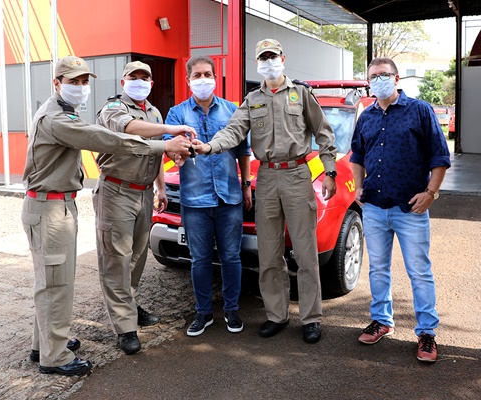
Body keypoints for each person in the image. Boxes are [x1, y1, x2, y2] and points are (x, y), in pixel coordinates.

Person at [21, 55, 191, 376]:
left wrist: (160, 182)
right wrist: (163, 145)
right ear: (57, 84)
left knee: (54, 281)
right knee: (59, 282)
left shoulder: (64, 112)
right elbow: (106, 138)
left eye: (85, 82)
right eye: (74, 82)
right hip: (53, 207)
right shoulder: (58, 119)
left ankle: (44, 343)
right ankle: (54, 356)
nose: (81, 88)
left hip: (60, 204)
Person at [192, 39, 337, 344]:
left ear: (283, 58)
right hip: (268, 179)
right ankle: (277, 315)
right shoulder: (252, 99)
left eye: (273, 56)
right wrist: (209, 147)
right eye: (263, 58)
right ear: (257, 64)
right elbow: (233, 131)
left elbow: (324, 133)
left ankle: (310, 318)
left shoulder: (301, 94)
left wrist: (330, 171)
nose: (269, 62)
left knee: (305, 253)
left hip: (298, 174)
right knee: (269, 253)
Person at [350, 57, 450, 363]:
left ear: (396, 79)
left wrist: (431, 192)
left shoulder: (419, 111)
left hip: (411, 208)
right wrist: (359, 187)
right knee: (377, 268)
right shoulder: (366, 116)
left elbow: (439, 156)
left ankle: (427, 333)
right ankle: (382, 320)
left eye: (384, 75)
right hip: (376, 207)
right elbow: (357, 155)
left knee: (419, 271)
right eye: (373, 76)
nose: (378, 79)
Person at [94, 61, 195, 355]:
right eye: (133, 77)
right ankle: (125, 327)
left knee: (137, 258)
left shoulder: (153, 110)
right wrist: (170, 129)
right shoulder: (113, 108)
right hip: (116, 191)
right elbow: (129, 130)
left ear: (151, 83)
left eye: (145, 78)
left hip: (143, 193)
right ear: (123, 81)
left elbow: (158, 152)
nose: (139, 82)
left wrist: (161, 187)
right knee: (116, 259)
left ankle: (130, 304)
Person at [163, 56, 252, 337]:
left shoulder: (231, 110)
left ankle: (231, 309)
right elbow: (169, 148)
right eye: (198, 75)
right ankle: (203, 313)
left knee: (231, 257)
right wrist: (177, 153)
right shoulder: (177, 114)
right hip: (195, 200)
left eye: (208, 74)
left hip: (229, 197)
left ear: (216, 77)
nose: (204, 79)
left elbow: (243, 151)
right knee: (199, 260)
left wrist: (246, 185)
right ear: (188, 80)